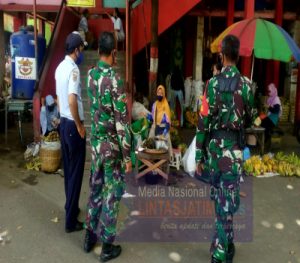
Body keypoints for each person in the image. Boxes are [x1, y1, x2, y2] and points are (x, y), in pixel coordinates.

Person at [195, 35, 257, 263]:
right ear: (238, 55)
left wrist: (199, 155)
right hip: (233, 153)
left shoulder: (211, 85)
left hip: (214, 153)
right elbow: (250, 119)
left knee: (222, 202)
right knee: (226, 201)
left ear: (221, 56)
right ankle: (219, 254)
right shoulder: (246, 86)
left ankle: (226, 242)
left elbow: (202, 123)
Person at [84, 31, 132, 262]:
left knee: (95, 190)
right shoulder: (114, 79)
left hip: (95, 147)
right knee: (111, 195)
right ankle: (107, 247)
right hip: (112, 148)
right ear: (113, 52)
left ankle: (88, 237)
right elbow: (121, 121)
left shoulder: (90, 75)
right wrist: (127, 155)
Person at [55, 32, 86, 233]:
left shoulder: (59, 67)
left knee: (69, 171)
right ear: (76, 50)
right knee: (76, 173)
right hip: (73, 126)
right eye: (81, 48)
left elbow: (59, 98)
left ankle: (71, 207)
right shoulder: (73, 70)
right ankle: (70, 221)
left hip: (63, 124)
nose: (82, 52)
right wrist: (79, 125)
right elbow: (72, 99)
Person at [149, 85, 172, 153]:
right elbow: (152, 118)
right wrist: (147, 116)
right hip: (155, 127)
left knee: (165, 146)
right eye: (158, 93)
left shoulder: (166, 106)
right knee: (150, 142)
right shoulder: (155, 104)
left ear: (164, 94)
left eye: (161, 93)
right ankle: (152, 160)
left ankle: (168, 160)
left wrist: (163, 134)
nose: (159, 95)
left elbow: (168, 123)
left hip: (163, 128)